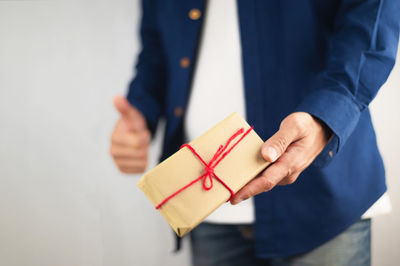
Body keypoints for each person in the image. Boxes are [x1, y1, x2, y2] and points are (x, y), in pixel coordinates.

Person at [110, 0, 399, 265]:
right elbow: (157, 49)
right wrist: (140, 113)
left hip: (322, 198)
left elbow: (371, 18)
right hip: (206, 203)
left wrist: (328, 115)